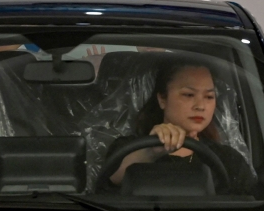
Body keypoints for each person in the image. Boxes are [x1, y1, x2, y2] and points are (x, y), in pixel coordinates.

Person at [104, 58, 256, 194]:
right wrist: (150, 152)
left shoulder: (229, 160)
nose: (201, 106)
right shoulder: (127, 148)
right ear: (162, 99)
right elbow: (111, 180)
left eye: (209, 96)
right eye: (189, 95)